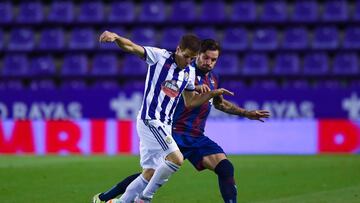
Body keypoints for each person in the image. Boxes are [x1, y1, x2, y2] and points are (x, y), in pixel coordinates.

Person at [93, 39, 270, 203]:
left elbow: (219, 104)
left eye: (213, 60)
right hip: (173, 131)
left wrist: (246, 113)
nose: (208, 62)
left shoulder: (211, 79)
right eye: (205, 57)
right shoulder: (184, 70)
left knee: (225, 168)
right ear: (197, 55)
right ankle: (108, 198)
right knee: (150, 173)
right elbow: (189, 100)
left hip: (195, 136)